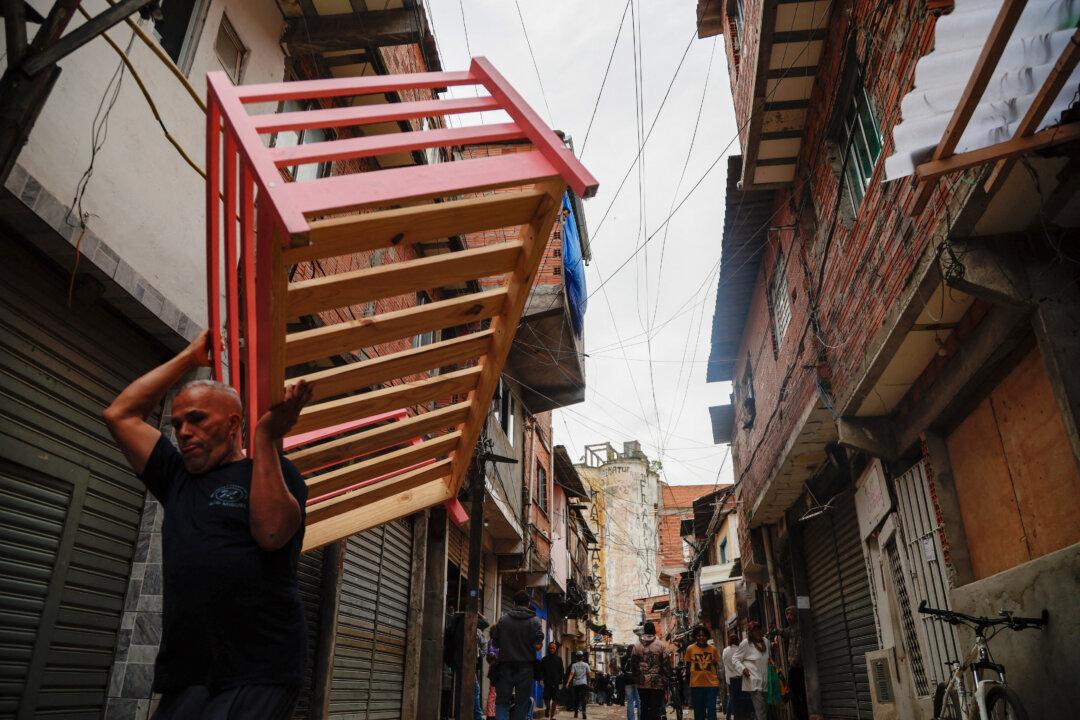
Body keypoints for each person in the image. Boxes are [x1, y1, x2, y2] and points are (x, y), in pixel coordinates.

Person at [102, 330, 310, 718]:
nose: (183, 432)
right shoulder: (177, 476)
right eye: (178, 423)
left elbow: (271, 533)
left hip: (259, 668)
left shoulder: (274, 472)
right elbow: (119, 414)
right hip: (188, 671)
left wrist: (265, 437)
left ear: (233, 424)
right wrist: (190, 356)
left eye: (197, 420)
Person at [491, 590, 544, 720]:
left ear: (514, 603)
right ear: (529, 603)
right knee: (522, 703)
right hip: (526, 669)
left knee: (502, 702)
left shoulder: (503, 620)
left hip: (505, 667)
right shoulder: (536, 622)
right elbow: (537, 647)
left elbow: (495, 644)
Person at [770, 607, 806, 720]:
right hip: (794, 665)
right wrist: (776, 631)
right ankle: (800, 714)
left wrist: (795, 660)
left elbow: (800, 645)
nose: (788, 617)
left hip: (797, 666)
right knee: (795, 692)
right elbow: (784, 632)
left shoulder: (798, 628)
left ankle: (801, 715)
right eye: (787, 614)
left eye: (790, 614)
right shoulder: (791, 629)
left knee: (795, 691)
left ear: (795, 615)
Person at [631, 621, 672, 720]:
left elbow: (633, 664)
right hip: (657, 682)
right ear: (654, 631)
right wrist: (667, 678)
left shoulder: (636, 646)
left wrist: (637, 677)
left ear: (644, 631)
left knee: (644, 706)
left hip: (642, 682)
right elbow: (666, 664)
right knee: (655, 707)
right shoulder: (661, 645)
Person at [732, 622, 770, 720]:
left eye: (759, 629)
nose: (757, 632)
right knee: (760, 709)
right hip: (753, 680)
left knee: (764, 709)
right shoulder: (746, 643)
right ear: (750, 632)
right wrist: (743, 669)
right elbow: (735, 658)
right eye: (754, 630)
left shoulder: (766, 641)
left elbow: (767, 657)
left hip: (765, 680)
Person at [684, 627, 721, 720]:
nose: (701, 637)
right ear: (695, 637)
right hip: (696, 685)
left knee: (711, 709)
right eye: (699, 635)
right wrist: (689, 681)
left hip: (711, 684)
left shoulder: (713, 649)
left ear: (707, 637)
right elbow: (688, 666)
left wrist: (719, 679)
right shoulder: (690, 649)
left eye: (703, 635)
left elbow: (716, 665)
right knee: (699, 711)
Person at [538, 642, 565, 719]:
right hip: (547, 682)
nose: (552, 649)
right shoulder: (544, 659)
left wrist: (561, 679)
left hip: (556, 682)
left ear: (555, 649)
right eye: (550, 648)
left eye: (553, 648)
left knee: (555, 699)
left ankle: (552, 717)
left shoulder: (559, 659)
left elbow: (561, 670)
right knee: (546, 697)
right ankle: (547, 708)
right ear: (548, 649)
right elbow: (541, 670)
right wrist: (541, 678)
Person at [721, 634, 742, 720]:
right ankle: (737, 714)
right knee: (739, 697)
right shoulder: (740, 650)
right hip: (740, 677)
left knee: (732, 696)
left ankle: (728, 714)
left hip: (729, 678)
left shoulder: (725, 651)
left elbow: (724, 662)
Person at [565, 651, 591, 718]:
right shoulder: (586, 665)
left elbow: (571, 674)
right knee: (584, 698)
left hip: (576, 684)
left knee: (576, 699)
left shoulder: (574, 665)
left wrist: (568, 682)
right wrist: (589, 683)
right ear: (582, 657)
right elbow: (589, 675)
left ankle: (576, 713)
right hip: (583, 684)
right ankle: (584, 712)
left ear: (576, 657)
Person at [620, 645, 640, 720]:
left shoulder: (624, 658)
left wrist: (627, 674)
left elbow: (622, 669)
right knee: (638, 700)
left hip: (628, 681)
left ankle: (631, 718)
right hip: (637, 681)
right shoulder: (637, 657)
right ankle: (640, 717)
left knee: (630, 700)